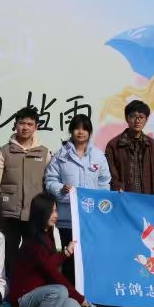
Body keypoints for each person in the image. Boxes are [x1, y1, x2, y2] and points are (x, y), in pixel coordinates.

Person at [44, 114, 110, 283]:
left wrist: (99, 202)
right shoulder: (61, 156)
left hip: (90, 218)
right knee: (69, 258)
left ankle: (89, 293)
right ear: (71, 131)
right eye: (76, 128)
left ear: (89, 132)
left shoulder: (98, 156)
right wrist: (61, 189)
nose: (80, 132)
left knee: (90, 257)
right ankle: (70, 293)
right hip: (67, 219)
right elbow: (50, 180)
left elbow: (104, 182)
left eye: (84, 129)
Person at [0, 106, 52, 276]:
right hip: (9, 213)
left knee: (34, 252)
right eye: (21, 123)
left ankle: (31, 285)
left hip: (35, 213)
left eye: (29, 124)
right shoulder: (4, 151)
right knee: (8, 251)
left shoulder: (44, 152)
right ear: (15, 125)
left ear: (36, 127)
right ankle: (9, 285)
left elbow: (48, 182)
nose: (25, 127)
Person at [9, 193, 93, 307]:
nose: (55, 215)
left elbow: (49, 263)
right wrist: (81, 299)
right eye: (51, 211)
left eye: (56, 211)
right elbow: (54, 274)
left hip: (43, 292)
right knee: (60, 291)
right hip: (23, 297)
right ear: (40, 213)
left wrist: (66, 253)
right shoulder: (34, 243)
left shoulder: (46, 235)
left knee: (73, 305)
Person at [104, 100, 154, 195]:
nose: (137, 121)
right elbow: (111, 173)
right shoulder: (114, 145)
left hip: (147, 198)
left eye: (141, 117)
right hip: (123, 198)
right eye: (133, 116)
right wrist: (117, 187)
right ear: (127, 118)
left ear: (146, 120)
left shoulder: (152, 145)